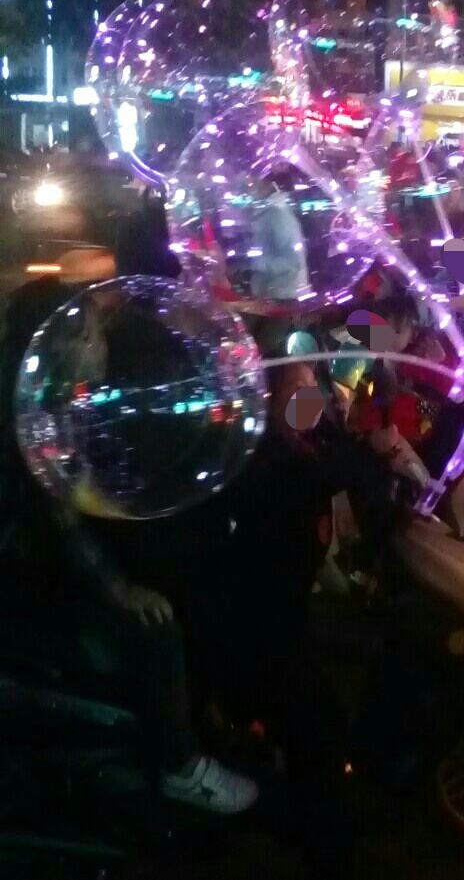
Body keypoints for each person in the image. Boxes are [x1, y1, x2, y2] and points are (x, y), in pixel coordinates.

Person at [0, 277, 258, 815]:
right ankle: (180, 766)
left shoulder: (51, 394)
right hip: (24, 576)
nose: (103, 344)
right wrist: (120, 591)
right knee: (155, 626)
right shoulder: (33, 416)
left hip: (39, 557)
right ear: (66, 342)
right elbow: (63, 525)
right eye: (95, 332)